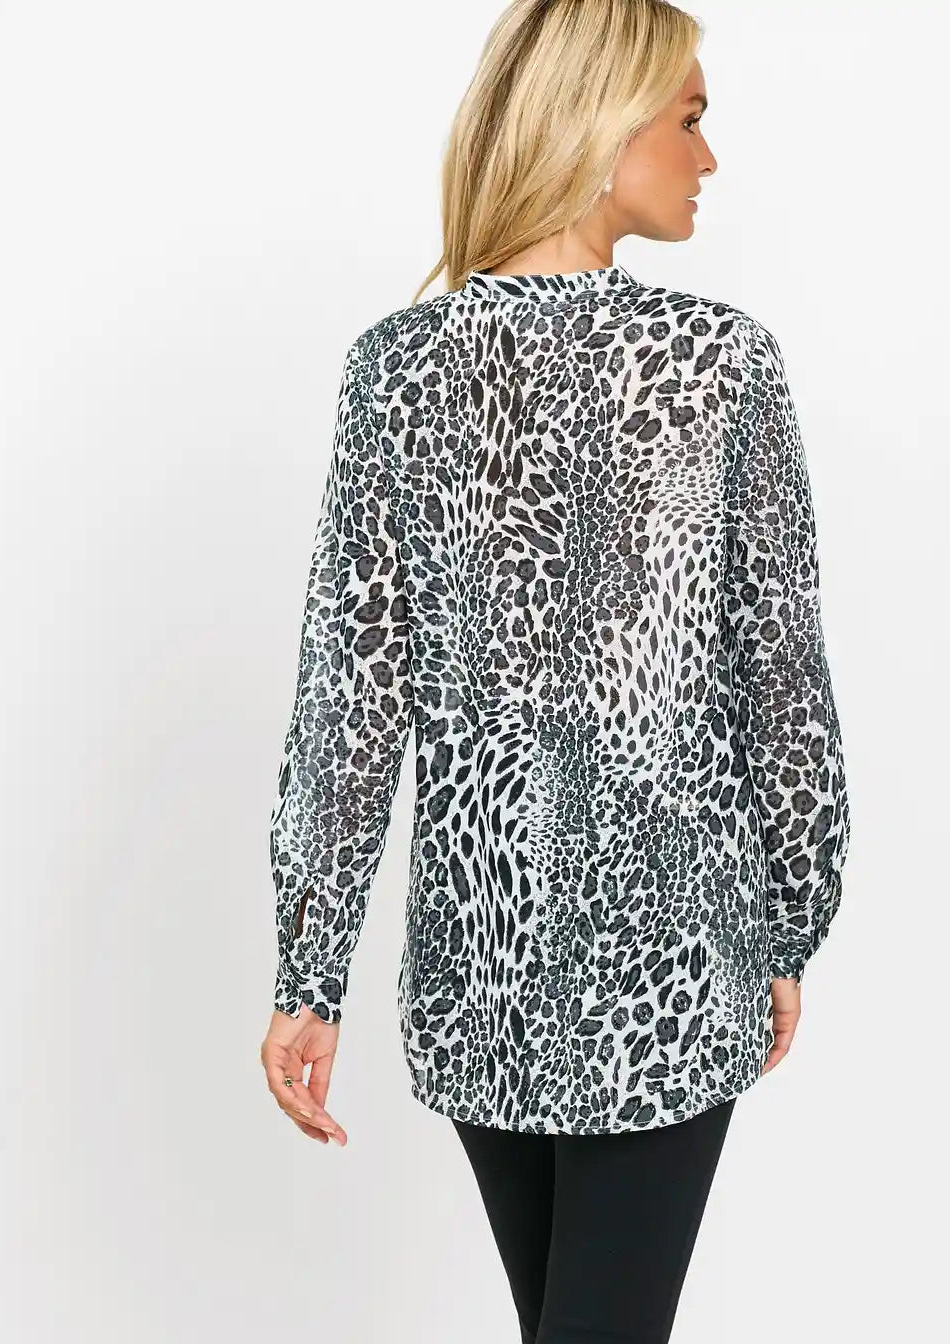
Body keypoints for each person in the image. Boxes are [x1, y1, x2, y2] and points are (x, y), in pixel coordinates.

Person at [258, 1, 852, 1338]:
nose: (710, 156)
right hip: (673, 952)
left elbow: (350, 696)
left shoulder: (398, 371)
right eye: (690, 118)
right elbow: (781, 675)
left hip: (481, 965)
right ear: (599, 124)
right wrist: (789, 917)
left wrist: (310, 970)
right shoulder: (719, 364)